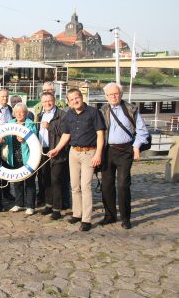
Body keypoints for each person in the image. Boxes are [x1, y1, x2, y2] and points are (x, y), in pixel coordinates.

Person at [47, 88, 106, 232]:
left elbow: (100, 135)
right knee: (74, 186)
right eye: (71, 99)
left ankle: (86, 219)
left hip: (89, 153)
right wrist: (57, 149)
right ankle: (77, 213)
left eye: (77, 97)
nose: (75, 101)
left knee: (85, 186)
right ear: (68, 101)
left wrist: (98, 154)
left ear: (81, 97)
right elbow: (66, 135)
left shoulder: (94, 112)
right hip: (73, 153)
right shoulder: (69, 115)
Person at [99, 83, 149, 229]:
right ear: (106, 97)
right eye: (110, 95)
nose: (113, 97)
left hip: (126, 150)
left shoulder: (131, 109)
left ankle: (125, 218)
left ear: (121, 94)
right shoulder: (103, 110)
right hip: (108, 151)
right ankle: (110, 215)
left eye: (116, 94)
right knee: (107, 185)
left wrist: (136, 147)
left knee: (123, 185)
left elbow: (142, 131)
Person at [33, 81, 68, 207]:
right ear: (41, 103)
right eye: (44, 101)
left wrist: (50, 127)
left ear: (54, 101)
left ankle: (57, 208)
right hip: (42, 150)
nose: (47, 103)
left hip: (57, 151)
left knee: (56, 179)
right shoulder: (39, 115)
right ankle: (48, 204)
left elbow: (65, 134)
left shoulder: (62, 115)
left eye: (49, 101)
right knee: (45, 178)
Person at [6, 103, 37, 216]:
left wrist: (25, 139)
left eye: (22, 111)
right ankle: (19, 203)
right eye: (17, 112)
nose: (19, 114)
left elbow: (34, 137)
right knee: (17, 181)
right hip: (14, 156)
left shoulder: (30, 124)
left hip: (28, 157)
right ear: (14, 113)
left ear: (26, 113)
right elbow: (5, 137)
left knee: (29, 182)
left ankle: (30, 206)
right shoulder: (9, 123)